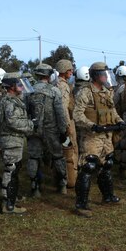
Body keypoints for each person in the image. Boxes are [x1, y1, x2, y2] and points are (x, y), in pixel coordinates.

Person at [73, 62, 125, 216]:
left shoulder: (107, 91)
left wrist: (119, 121)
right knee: (88, 167)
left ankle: (108, 197)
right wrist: (92, 126)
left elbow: (112, 111)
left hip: (107, 135)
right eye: (103, 74)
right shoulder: (85, 92)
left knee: (107, 164)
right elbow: (77, 115)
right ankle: (81, 204)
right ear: (95, 76)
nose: (106, 77)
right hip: (91, 136)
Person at [26, 63, 69, 197]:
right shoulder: (54, 91)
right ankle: (62, 185)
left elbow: (26, 112)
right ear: (49, 75)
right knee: (58, 156)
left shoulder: (29, 91)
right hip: (52, 130)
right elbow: (60, 113)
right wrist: (63, 131)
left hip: (34, 129)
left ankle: (35, 187)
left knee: (34, 157)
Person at [0, 73, 34, 214]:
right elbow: (12, 121)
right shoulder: (9, 102)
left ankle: (10, 198)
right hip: (11, 140)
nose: (22, 87)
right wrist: (30, 124)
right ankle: (8, 204)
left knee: (13, 170)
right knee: (11, 171)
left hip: (13, 139)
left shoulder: (11, 99)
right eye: (19, 84)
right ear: (11, 86)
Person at [55, 59, 78, 191]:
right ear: (64, 71)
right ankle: (70, 180)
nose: (72, 72)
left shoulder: (56, 84)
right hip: (66, 122)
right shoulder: (63, 86)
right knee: (69, 150)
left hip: (61, 123)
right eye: (70, 70)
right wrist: (66, 126)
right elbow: (63, 107)